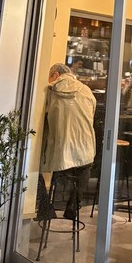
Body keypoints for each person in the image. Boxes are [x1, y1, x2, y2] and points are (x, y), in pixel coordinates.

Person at [38, 63, 96, 220]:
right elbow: (92, 113)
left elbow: (42, 118)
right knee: (86, 166)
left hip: (61, 149)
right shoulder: (86, 90)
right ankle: (73, 205)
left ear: (56, 75)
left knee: (34, 168)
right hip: (85, 147)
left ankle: (46, 208)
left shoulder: (50, 91)